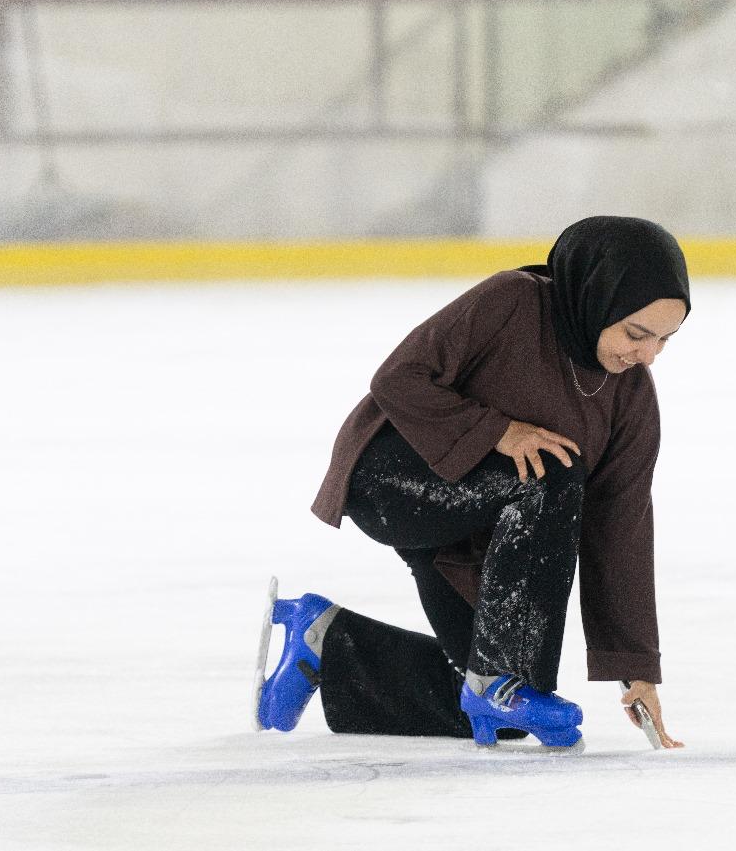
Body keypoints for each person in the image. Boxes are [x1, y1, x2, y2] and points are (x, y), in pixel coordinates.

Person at [255, 216, 691, 751]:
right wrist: (498, 432)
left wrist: (635, 668)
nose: (647, 356)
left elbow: (619, 528)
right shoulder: (513, 302)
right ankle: (499, 680)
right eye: (636, 334)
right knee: (552, 467)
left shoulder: (632, 400)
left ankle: (326, 642)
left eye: (665, 340)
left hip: (475, 538)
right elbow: (400, 377)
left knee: (506, 715)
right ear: (597, 297)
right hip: (393, 478)